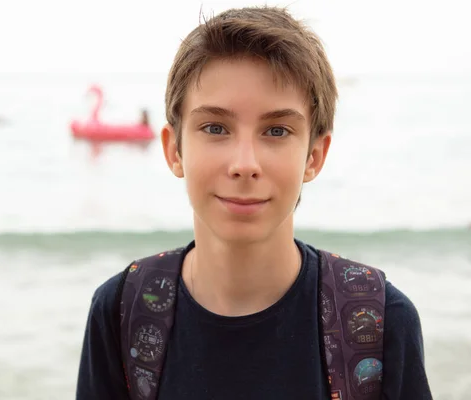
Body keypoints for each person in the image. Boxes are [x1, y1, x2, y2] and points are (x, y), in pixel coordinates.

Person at [76, 6, 433, 399]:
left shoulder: (378, 323)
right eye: (215, 127)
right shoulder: (122, 312)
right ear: (174, 150)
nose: (244, 164)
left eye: (276, 130)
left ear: (314, 156)